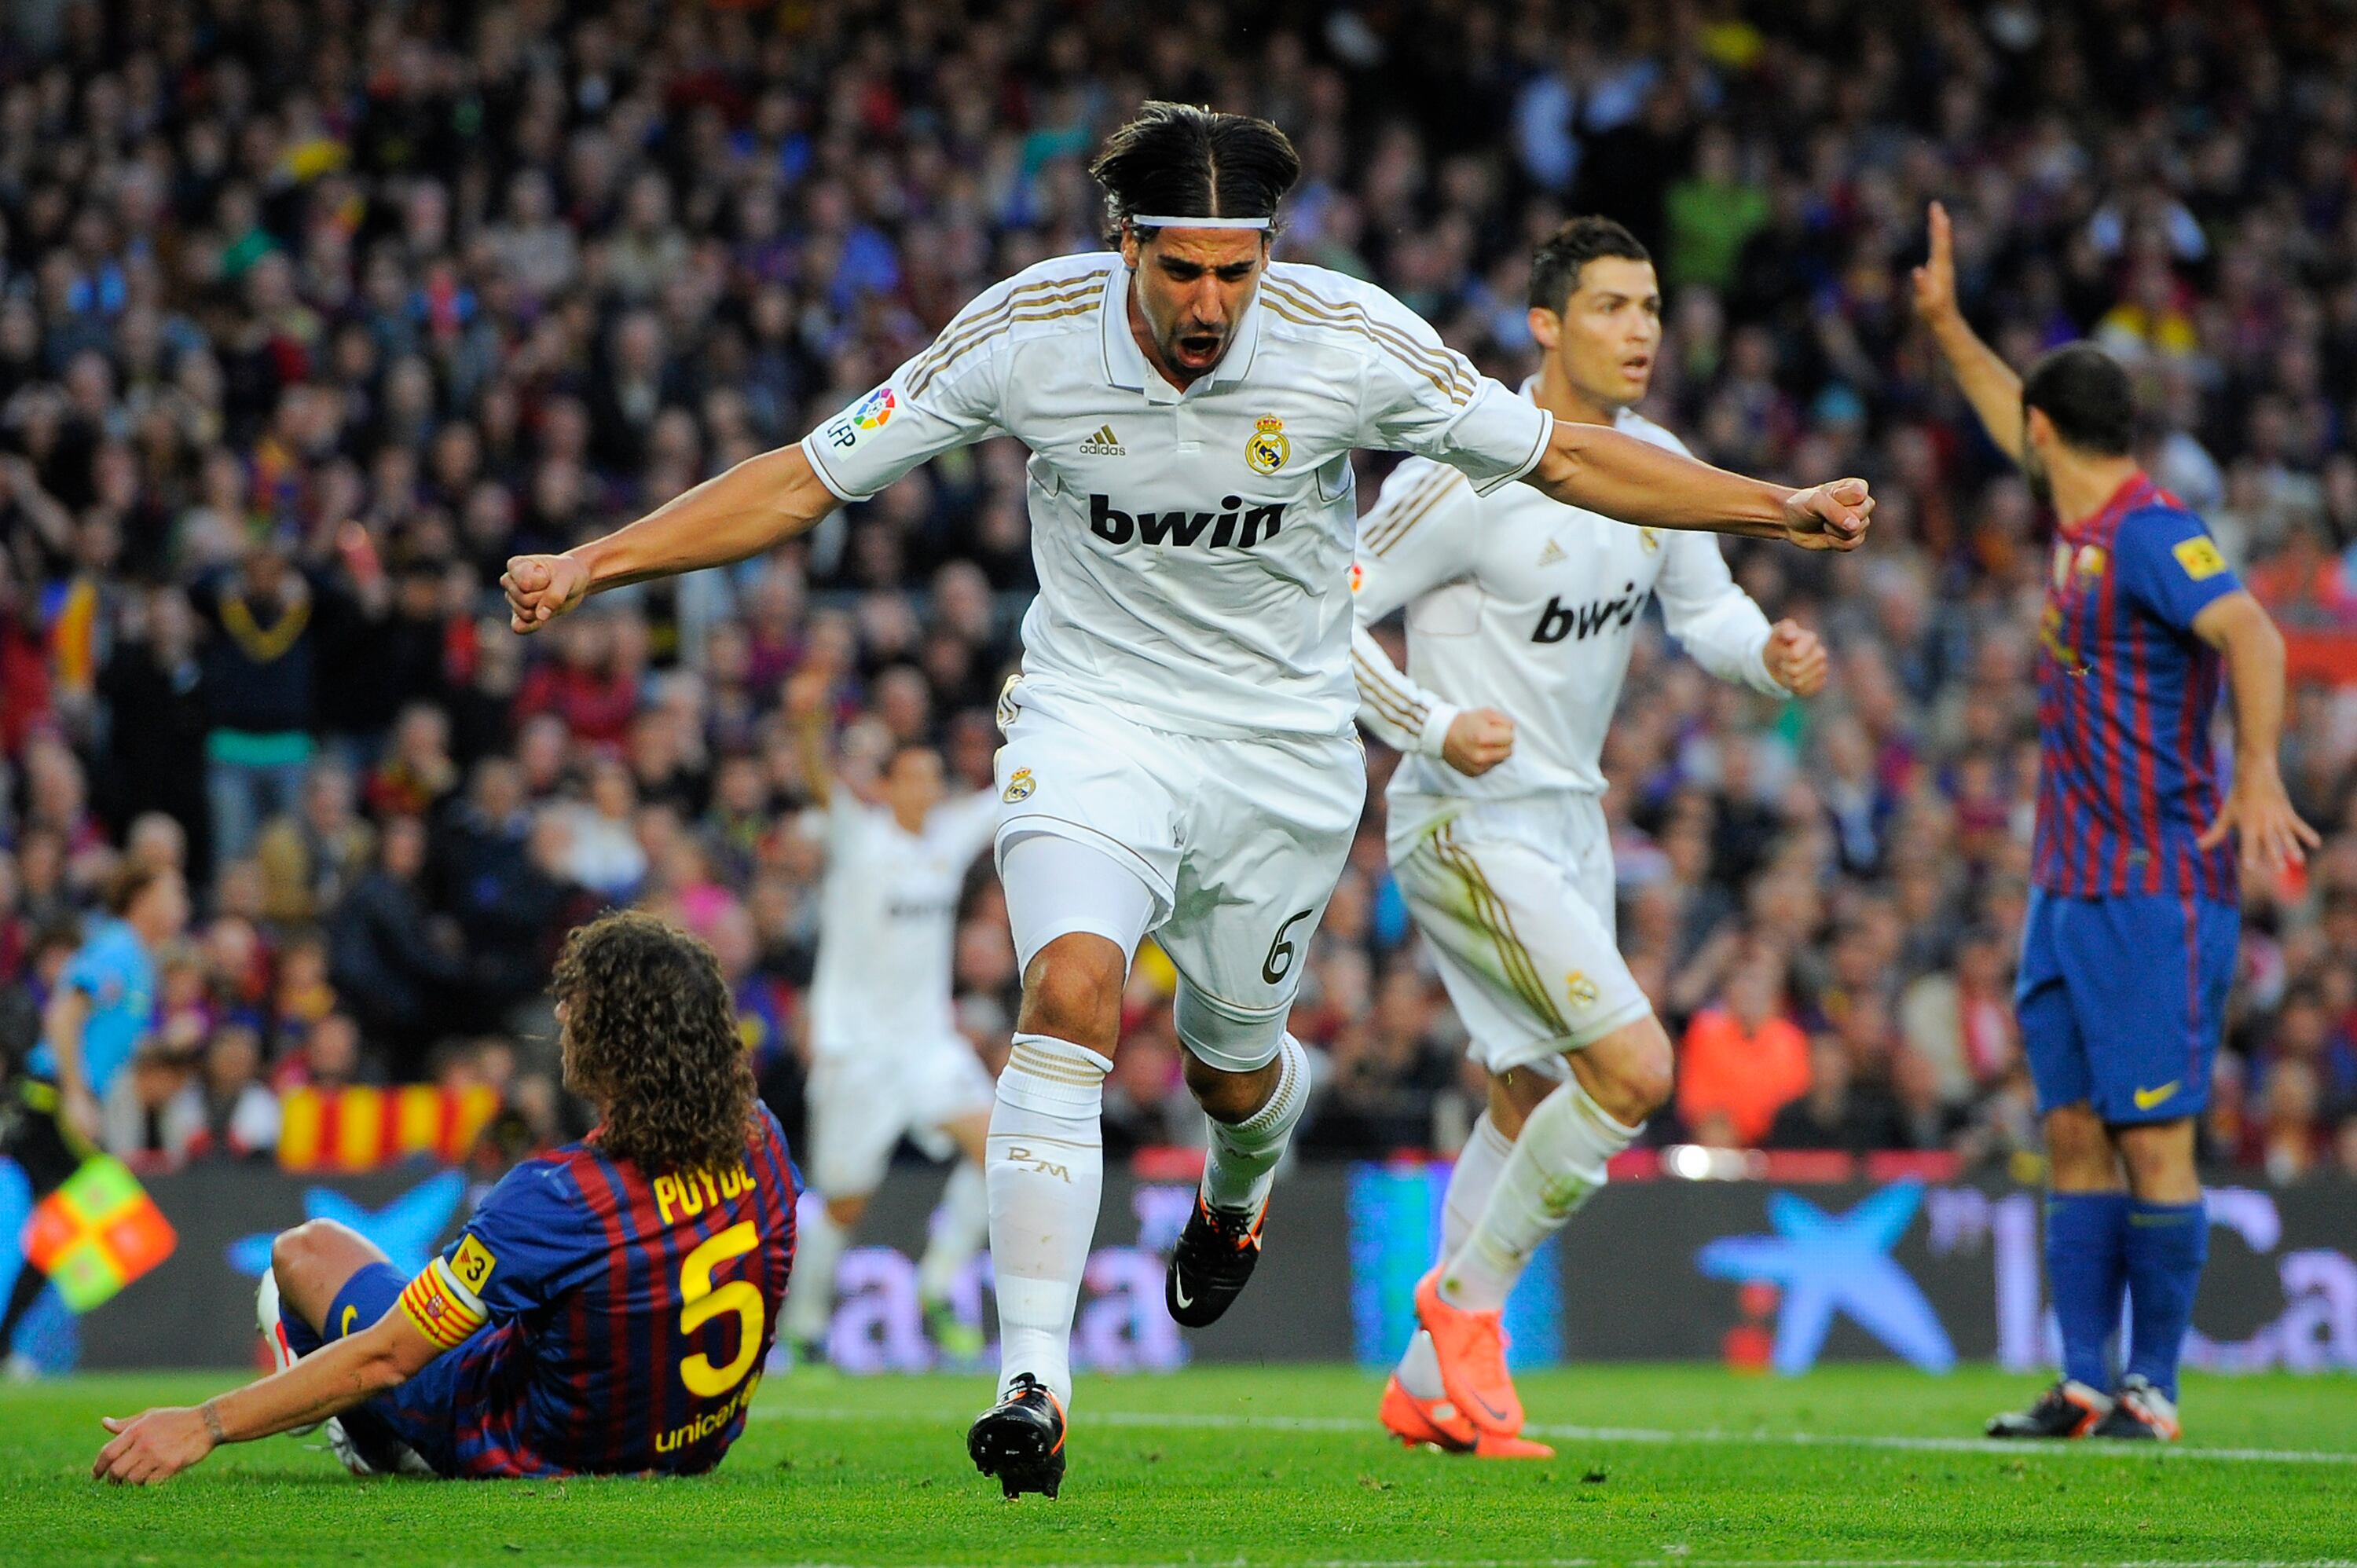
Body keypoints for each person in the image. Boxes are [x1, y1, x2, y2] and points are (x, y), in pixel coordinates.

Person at [501, 103, 1872, 1498]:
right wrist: (599, 561)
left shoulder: (1350, 341)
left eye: (1239, 269)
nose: (1213, 302)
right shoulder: (1026, 332)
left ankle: (1242, 1180)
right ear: (1124, 247)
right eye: (1182, 271)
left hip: (1283, 754)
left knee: (1232, 1067)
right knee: (1073, 990)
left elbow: (1567, 455)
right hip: (1095, 720)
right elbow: (807, 479)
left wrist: (1771, 506)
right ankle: (1033, 1379)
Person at [1350, 217, 1830, 1456]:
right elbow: (1320, 611)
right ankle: (1463, 1313)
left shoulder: (1653, 463)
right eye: (1613, 307)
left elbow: (1709, 612)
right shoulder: (1466, 472)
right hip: (1464, 819)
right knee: (1633, 1073)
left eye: (1653, 308)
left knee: (1527, 1096)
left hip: (1570, 823)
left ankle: (1422, 1384)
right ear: (1547, 327)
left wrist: (1769, 660)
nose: (1642, 333)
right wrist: (1431, 720)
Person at [1912, 203, 2315, 1441]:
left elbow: (2251, 629)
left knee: (2155, 1145)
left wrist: (2256, 773)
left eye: (2022, 422)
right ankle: (2086, 1384)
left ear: (2047, 431)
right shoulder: (2078, 521)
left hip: (2155, 889)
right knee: (2075, 1132)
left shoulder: (2151, 533)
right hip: (2066, 889)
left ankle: (2156, 1389)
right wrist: (1944, 325)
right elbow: (2002, 408)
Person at [91, 910, 797, 1483]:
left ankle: (368, 1434)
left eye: (576, 1004)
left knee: (302, 1255)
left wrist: (203, 1423)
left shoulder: (559, 1196)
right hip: (691, 1450)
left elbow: (387, 1359)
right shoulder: (762, 1137)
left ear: (616, 1039)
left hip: (531, 1449)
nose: (560, 1013)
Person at [778, 659, 998, 1366]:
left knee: (1002, 1150)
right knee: (843, 1202)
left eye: (935, 779)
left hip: (928, 1046)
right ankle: (805, 1325)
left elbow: (1007, 795)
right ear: (889, 785)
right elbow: (817, 781)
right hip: (858, 1053)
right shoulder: (860, 836)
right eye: (913, 778)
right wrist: (809, 723)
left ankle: (936, 1285)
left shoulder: (947, 838)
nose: (926, 789)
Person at [1, 859, 188, 1374]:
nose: (182, 905)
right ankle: (17, 1347)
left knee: (60, 1229)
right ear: (144, 898)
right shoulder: (118, 949)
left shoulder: (141, 962)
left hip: (60, 1096)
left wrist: (162, 1045)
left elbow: (106, 1035)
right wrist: (78, 1095)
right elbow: (63, 1015)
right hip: (54, 1097)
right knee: (108, 1212)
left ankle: (10, 1346)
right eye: (173, 892)